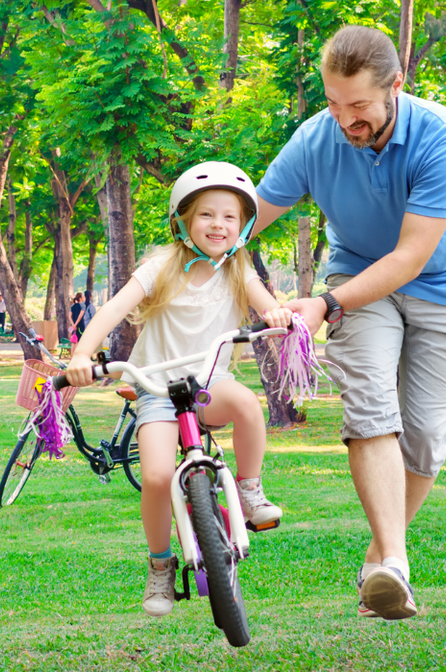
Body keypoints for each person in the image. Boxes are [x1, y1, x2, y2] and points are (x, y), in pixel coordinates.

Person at [256, 26, 446, 621]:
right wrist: (193, 240)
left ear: (396, 87)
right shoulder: (315, 138)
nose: (345, 119)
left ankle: (376, 562)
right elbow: (247, 216)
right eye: (334, 103)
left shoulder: (443, 135)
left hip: (443, 284)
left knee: (426, 437)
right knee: (370, 408)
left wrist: (324, 306)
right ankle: (394, 568)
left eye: (358, 105)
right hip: (358, 283)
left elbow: (411, 256)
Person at [63, 161, 295, 619]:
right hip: (157, 389)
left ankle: (248, 490)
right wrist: (81, 355)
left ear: (244, 225)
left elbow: (269, 306)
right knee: (154, 478)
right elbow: (111, 311)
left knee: (248, 405)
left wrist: (278, 316)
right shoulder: (161, 267)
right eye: (207, 214)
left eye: (230, 216)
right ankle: (160, 564)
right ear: (183, 220)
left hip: (211, 385)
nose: (218, 225)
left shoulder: (238, 269)